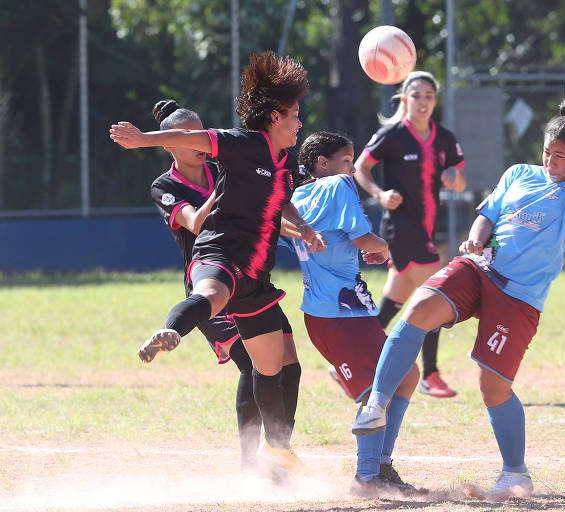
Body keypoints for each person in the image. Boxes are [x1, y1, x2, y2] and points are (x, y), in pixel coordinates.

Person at [352, 60, 565, 499]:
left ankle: (514, 473)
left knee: (493, 385)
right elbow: (487, 216)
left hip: (520, 295)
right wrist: (474, 241)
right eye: (547, 151)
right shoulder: (520, 175)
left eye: (559, 156)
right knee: (415, 312)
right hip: (480, 269)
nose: (550, 161)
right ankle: (376, 404)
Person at [110, 51, 325, 475]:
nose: (300, 123)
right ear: (276, 115)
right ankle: (171, 329)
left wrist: (304, 229)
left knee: (273, 368)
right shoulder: (245, 143)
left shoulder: (282, 166)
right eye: (296, 115)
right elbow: (196, 139)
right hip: (219, 254)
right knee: (212, 294)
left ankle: (275, 452)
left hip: (257, 279)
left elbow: (281, 204)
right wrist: (141, 140)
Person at [147, 99, 302, 472]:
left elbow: (260, 207)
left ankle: (277, 450)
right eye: (185, 136)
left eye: (198, 132)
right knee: (251, 365)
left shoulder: (224, 165)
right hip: (212, 280)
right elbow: (197, 223)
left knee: (289, 363)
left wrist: (302, 231)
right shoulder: (165, 185)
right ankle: (253, 464)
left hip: (250, 275)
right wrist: (229, 183)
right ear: (169, 143)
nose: (196, 142)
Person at [286, 131, 423, 496]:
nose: (351, 167)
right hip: (339, 315)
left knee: (406, 374)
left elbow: (336, 240)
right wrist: (384, 247)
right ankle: (367, 476)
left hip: (335, 312)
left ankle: (379, 466)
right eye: (346, 159)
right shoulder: (340, 184)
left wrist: (364, 246)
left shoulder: (297, 196)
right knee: (374, 392)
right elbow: (364, 239)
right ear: (323, 163)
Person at [352, 70, 467, 398]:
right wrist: (380, 195)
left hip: (424, 228)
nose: (423, 102)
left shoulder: (444, 138)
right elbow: (360, 167)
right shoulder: (393, 135)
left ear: (435, 101)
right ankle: (430, 374)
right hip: (401, 228)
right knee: (434, 296)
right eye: (416, 96)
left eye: (429, 96)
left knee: (395, 301)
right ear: (405, 100)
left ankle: (350, 357)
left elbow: (462, 182)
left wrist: (453, 175)